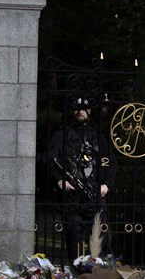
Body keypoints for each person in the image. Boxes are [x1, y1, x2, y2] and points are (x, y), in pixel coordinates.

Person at [47, 95, 115, 262]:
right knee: (75, 238)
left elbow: (110, 161)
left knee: (101, 236)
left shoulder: (97, 136)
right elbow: (50, 160)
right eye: (77, 109)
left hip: (95, 193)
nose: (80, 112)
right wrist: (60, 180)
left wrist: (106, 184)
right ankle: (76, 272)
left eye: (84, 109)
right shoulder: (61, 135)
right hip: (74, 196)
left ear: (89, 111)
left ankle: (103, 272)